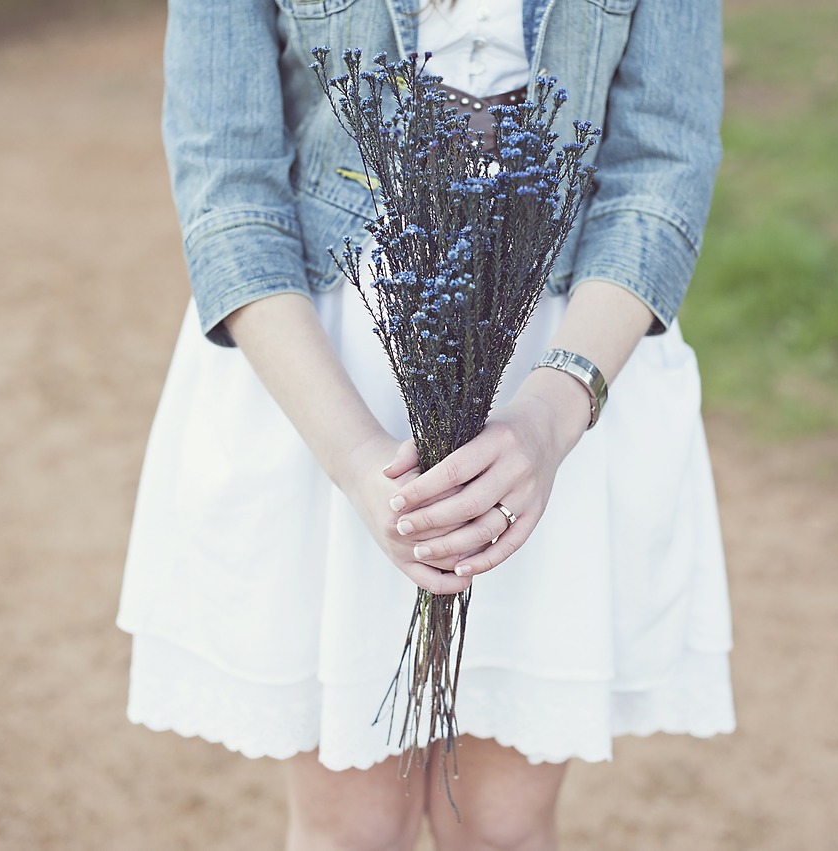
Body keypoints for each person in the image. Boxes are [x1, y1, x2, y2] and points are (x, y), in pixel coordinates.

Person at [116, 0, 735, 847]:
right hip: (326, 376)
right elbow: (226, 179)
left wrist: (553, 418)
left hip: (567, 358)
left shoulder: (558, 406)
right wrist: (357, 458)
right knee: (353, 828)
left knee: (504, 825)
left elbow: (663, 158)